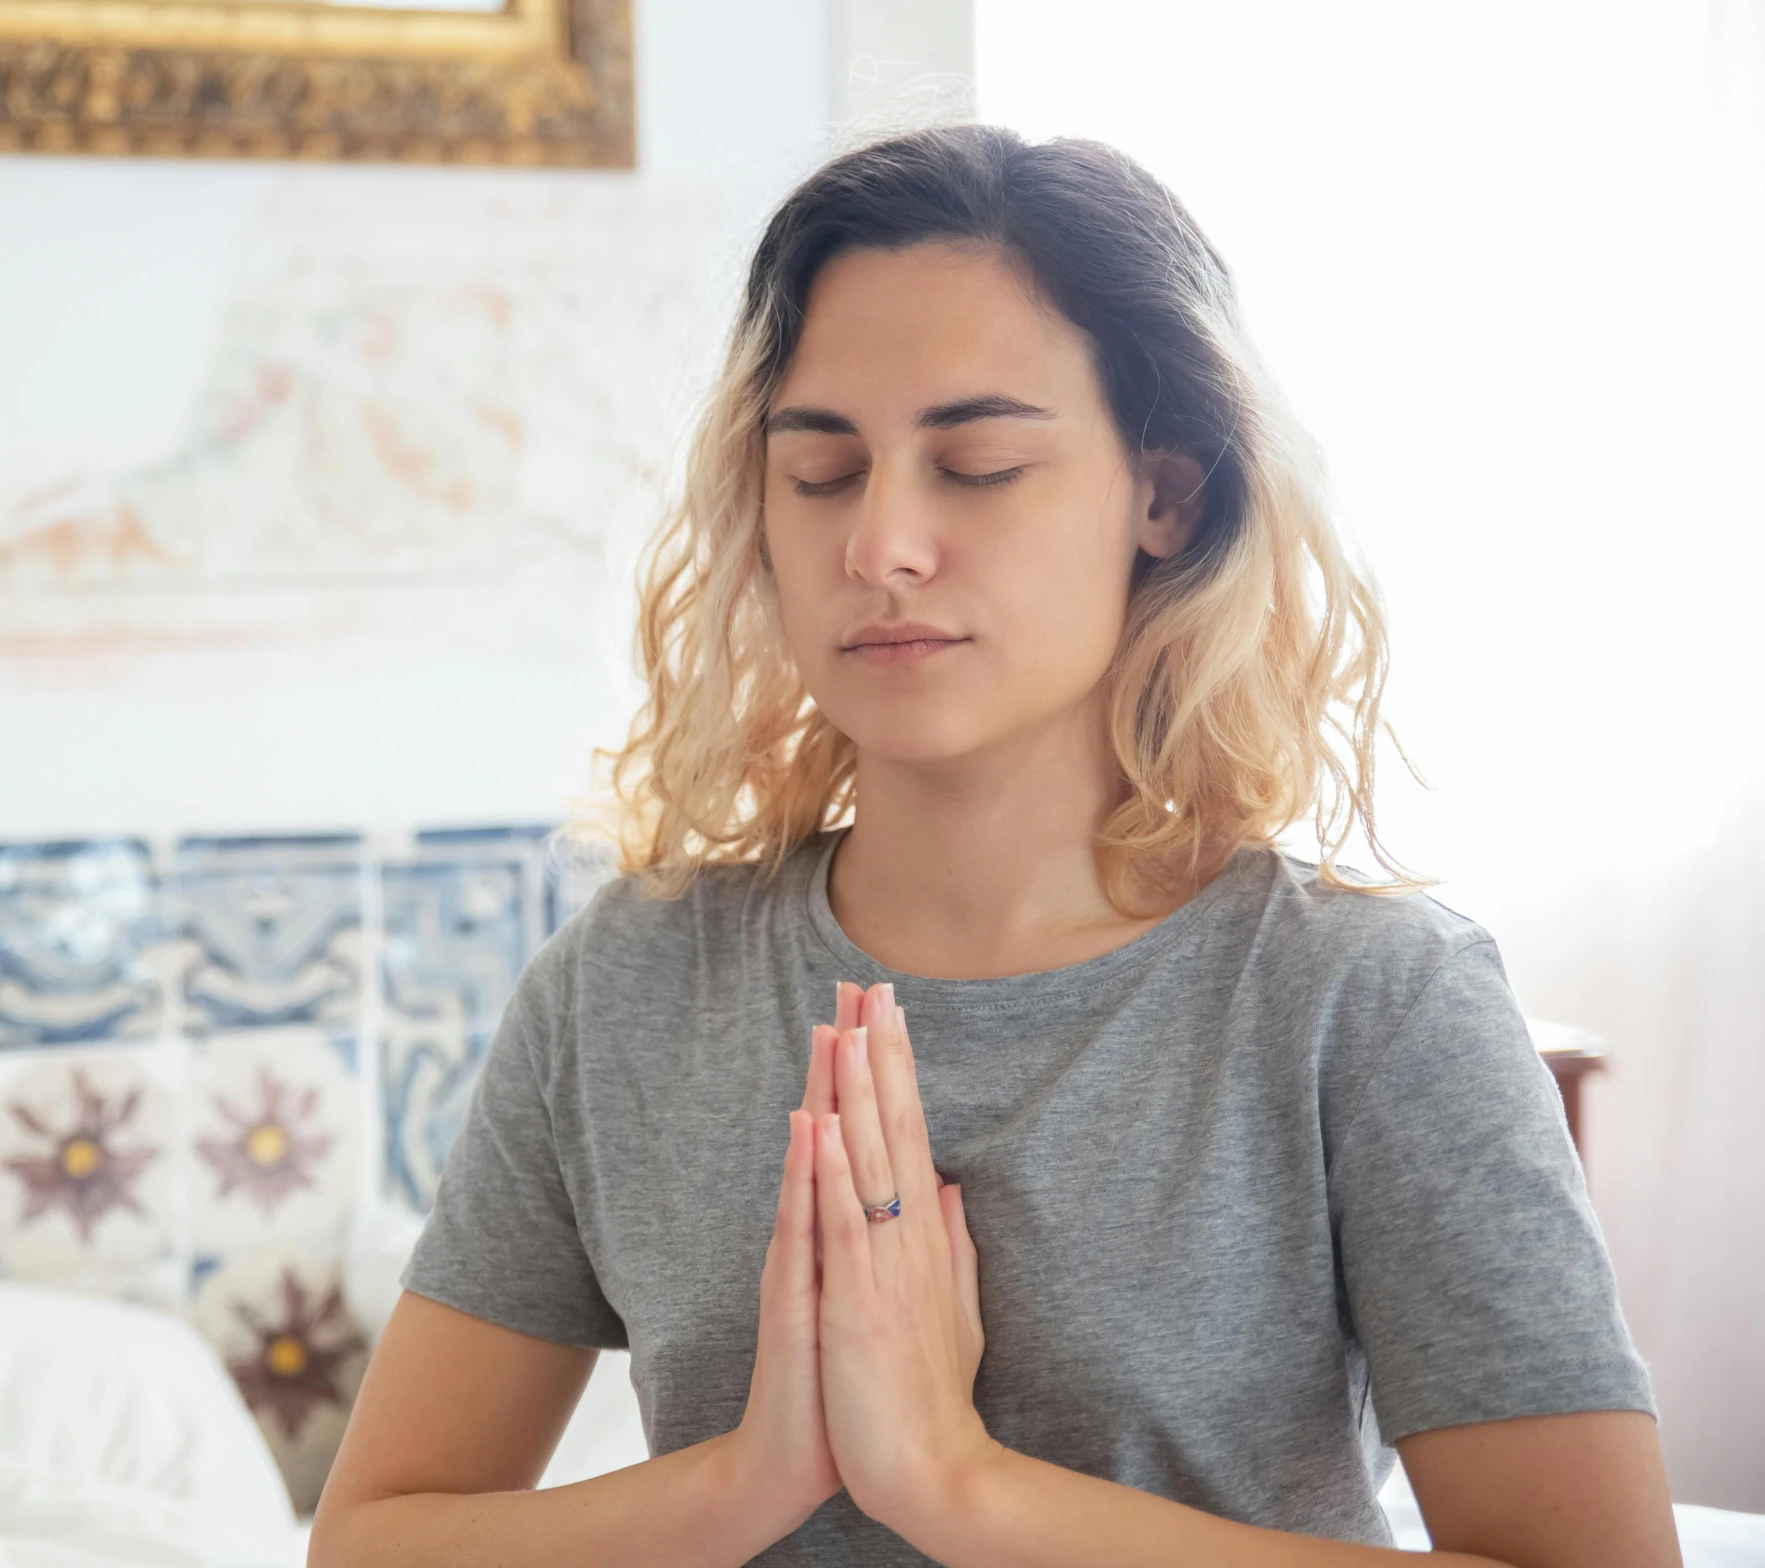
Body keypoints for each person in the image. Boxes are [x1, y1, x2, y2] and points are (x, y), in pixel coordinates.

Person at [308, 124, 1675, 1567]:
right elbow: (371, 1542)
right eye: (823, 474)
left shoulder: (1371, 1003)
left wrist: (958, 1487)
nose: (881, 542)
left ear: (1169, 496)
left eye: (977, 464)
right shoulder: (623, 993)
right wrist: (749, 1478)